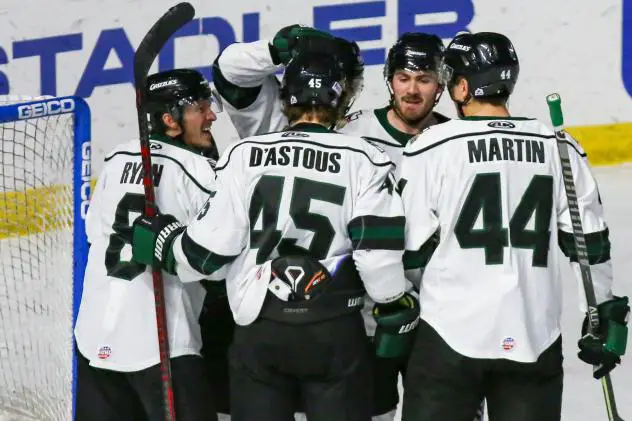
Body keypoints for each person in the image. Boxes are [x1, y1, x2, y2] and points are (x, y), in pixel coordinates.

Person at [131, 50, 418, 421]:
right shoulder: (366, 158)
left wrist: (165, 243)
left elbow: (208, 256)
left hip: (260, 331)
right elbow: (377, 258)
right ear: (340, 98)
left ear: (286, 99)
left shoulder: (244, 154)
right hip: (334, 331)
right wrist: (395, 303)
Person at [212, 27, 449, 421]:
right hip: (368, 314)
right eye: (404, 78)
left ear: (441, 85)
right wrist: (273, 49)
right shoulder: (350, 135)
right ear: (388, 80)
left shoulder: (453, 141)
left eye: (423, 80)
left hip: (439, 306)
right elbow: (231, 78)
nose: (412, 89)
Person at [398, 32, 629, 421]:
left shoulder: (431, 146)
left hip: (448, 337)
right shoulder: (558, 146)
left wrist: (398, 302)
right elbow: (589, 244)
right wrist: (602, 311)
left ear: (463, 87)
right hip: (533, 336)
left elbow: (409, 249)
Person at [74, 68, 222, 421]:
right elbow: (216, 264)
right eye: (200, 108)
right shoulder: (199, 172)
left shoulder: (115, 159)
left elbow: (96, 234)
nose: (211, 115)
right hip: (162, 345)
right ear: (170, 119)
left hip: (95, 336)